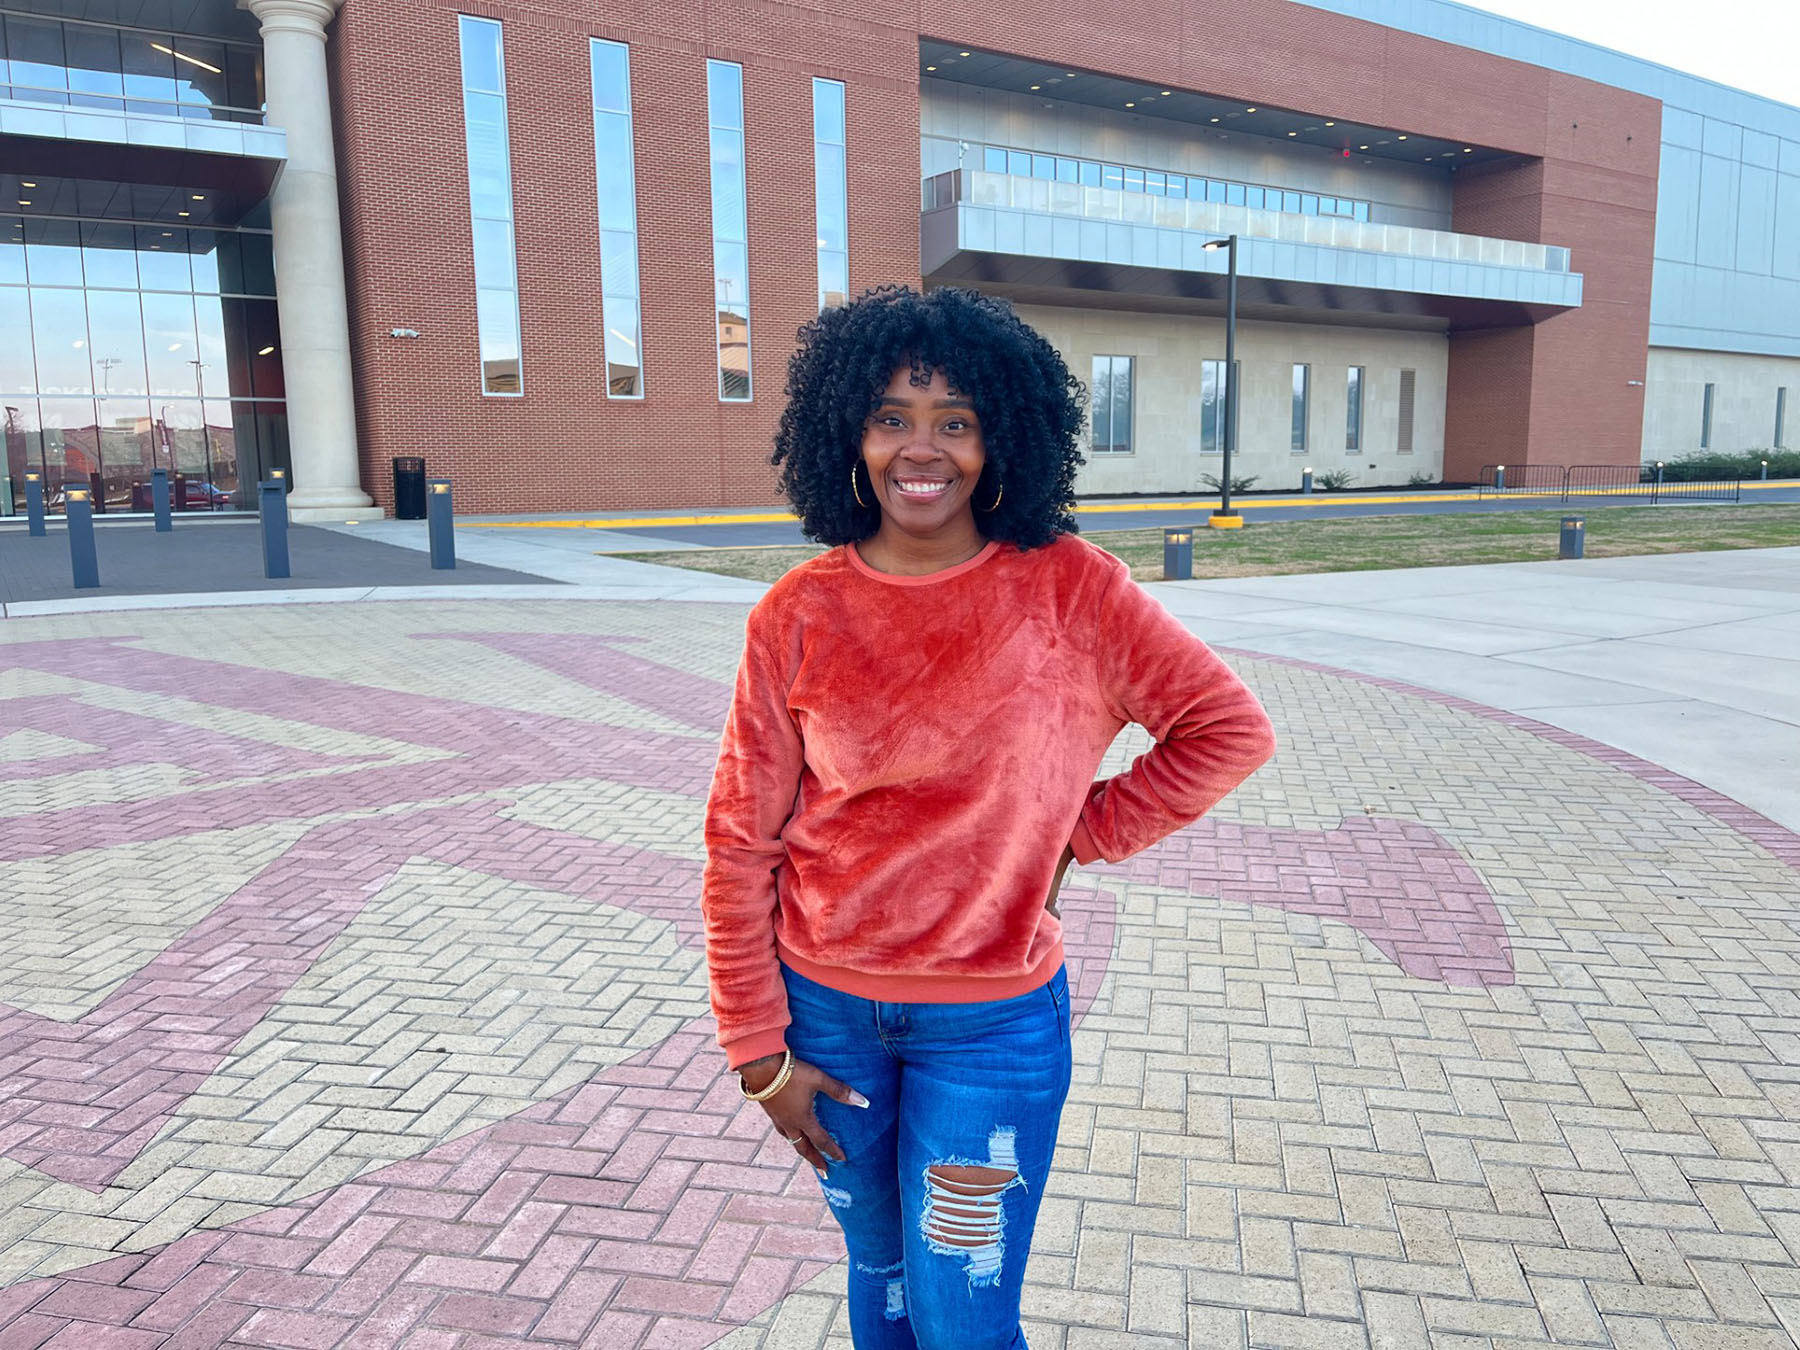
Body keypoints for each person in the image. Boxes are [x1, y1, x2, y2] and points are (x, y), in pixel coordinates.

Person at [702, 285, 1276, 1349]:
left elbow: (1226, 731)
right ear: (850, 435)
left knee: (962, 1317)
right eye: (892, 417)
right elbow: (741, 839)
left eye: (955, 420)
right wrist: (757, 1053)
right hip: (825, 1022)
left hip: (993, 1031)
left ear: (1000, 434)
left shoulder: (1072, 590)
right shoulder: (797, 612)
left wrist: (1081, 834)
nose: (922, 449)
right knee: (879, 1291)